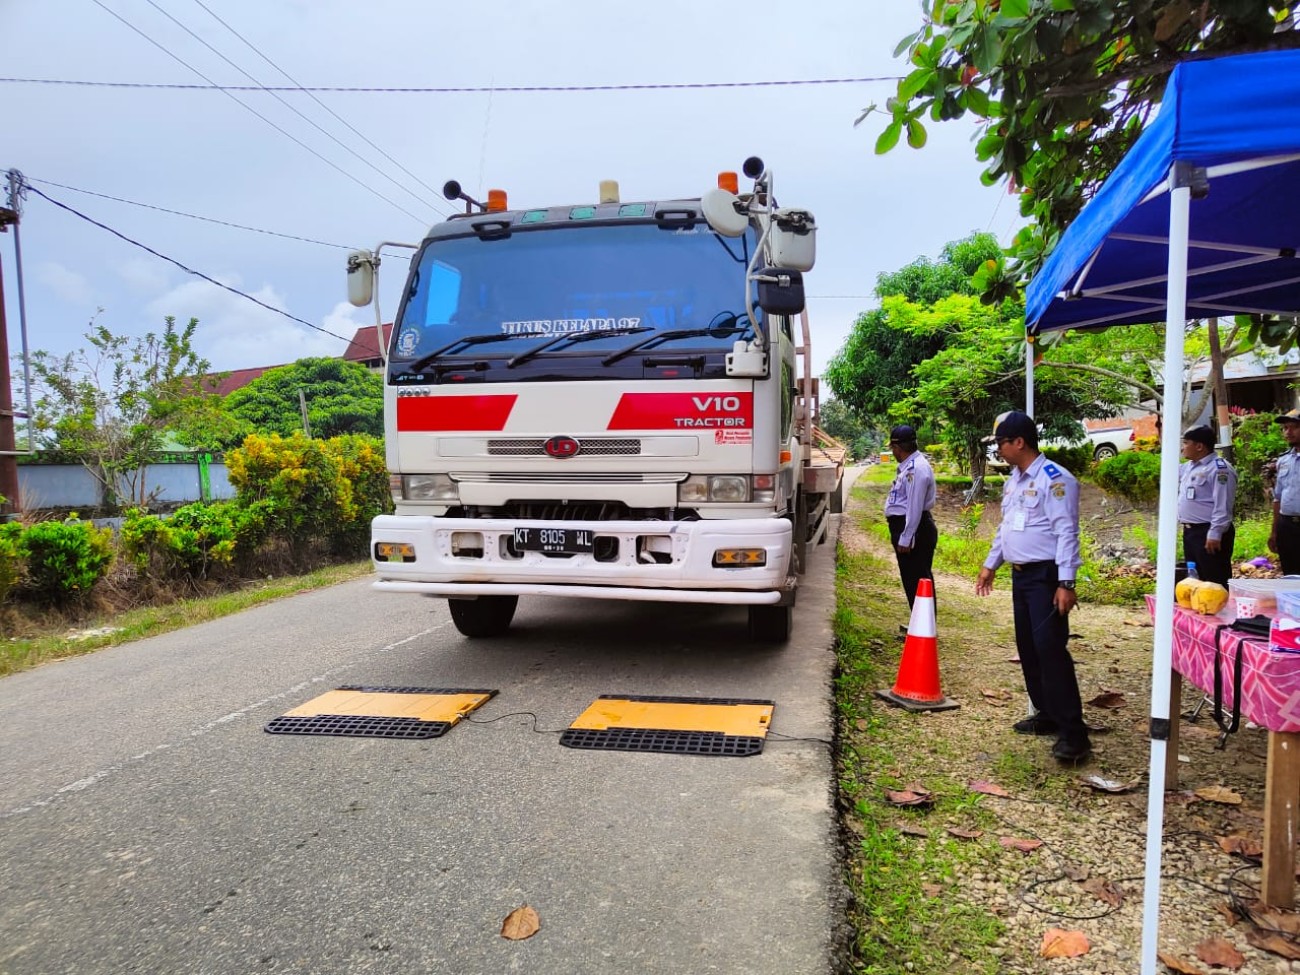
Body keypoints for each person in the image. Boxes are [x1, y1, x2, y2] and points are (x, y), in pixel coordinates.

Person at [975, 411, 1090, 764]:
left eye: (1000, 444)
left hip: (1046, 577)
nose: (998, 450)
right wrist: (991, 563)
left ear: (1019, 442)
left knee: (1050, 650)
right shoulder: (1015, 479)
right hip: (1021, 577)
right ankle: (1048, 713)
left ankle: (1075, 734)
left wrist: (1066, 582)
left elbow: (1066, 532)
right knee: (1028, 648)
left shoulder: (1054, 479)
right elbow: (1008, 525)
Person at [883, 424, 937, 610]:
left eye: (894, 449)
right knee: (912, 578)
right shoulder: (909, 466)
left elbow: (914, 507)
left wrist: (906, 538)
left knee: (918, 579)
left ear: (898, 448)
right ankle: (919, 623)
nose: (894, 453)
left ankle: (925, 626)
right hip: (911, 526)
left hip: (915, 528)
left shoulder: (916, 469)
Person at [1177, 425, 1237, 586]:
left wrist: (1215, 533)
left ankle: (1218, 610)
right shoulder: (1189, 467)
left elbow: (1223, 504)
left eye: (1186, 443)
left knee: (1214, 579)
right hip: (1191, 532)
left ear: (1199, 446)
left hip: (1208, 532)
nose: (1183, 448)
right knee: (1195, 579)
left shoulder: (1219, 469)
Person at [1270, 408, 1300, 574]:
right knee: (1290, 573)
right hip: (1287, 525)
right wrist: (1274, 531)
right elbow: (1278, 498)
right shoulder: (1283, 460)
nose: (1288, 432)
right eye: (1285, 428)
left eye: (1293, 427)